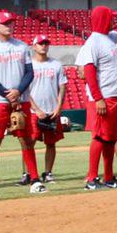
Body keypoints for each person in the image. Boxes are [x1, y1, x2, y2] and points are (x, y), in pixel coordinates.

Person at [0, 12, 45, 196]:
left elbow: (29, 73)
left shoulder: (22, 46)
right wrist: (8, 94)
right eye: (5, 23)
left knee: (26, 140)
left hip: (20, 100)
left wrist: (18, 92)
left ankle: (35, 179)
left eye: (11, 22)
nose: (9, 25)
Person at [75, 6, 117, 190]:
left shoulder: (109, 38)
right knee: (100, 137)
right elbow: (89, 72)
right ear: (103, 19)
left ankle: (109, 177)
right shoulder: (93, 43)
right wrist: (98, 98)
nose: (113, 21)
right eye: (111, 18)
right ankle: (92, 178)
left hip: (115, 96)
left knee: (111, 137)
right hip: (104, 98)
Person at [28, 35, 67, 182]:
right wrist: (36, 109)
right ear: (34, 46)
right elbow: (25, 90)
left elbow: (62, 86)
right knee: (29, 142)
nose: (43, 46)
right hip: (33, 111)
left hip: (52, 111)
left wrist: (58, 107)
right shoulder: (29, 65)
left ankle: (48, 172)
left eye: (46, 43)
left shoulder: (56, 64)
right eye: (40, 43)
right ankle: (29, 174)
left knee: (51, 143)